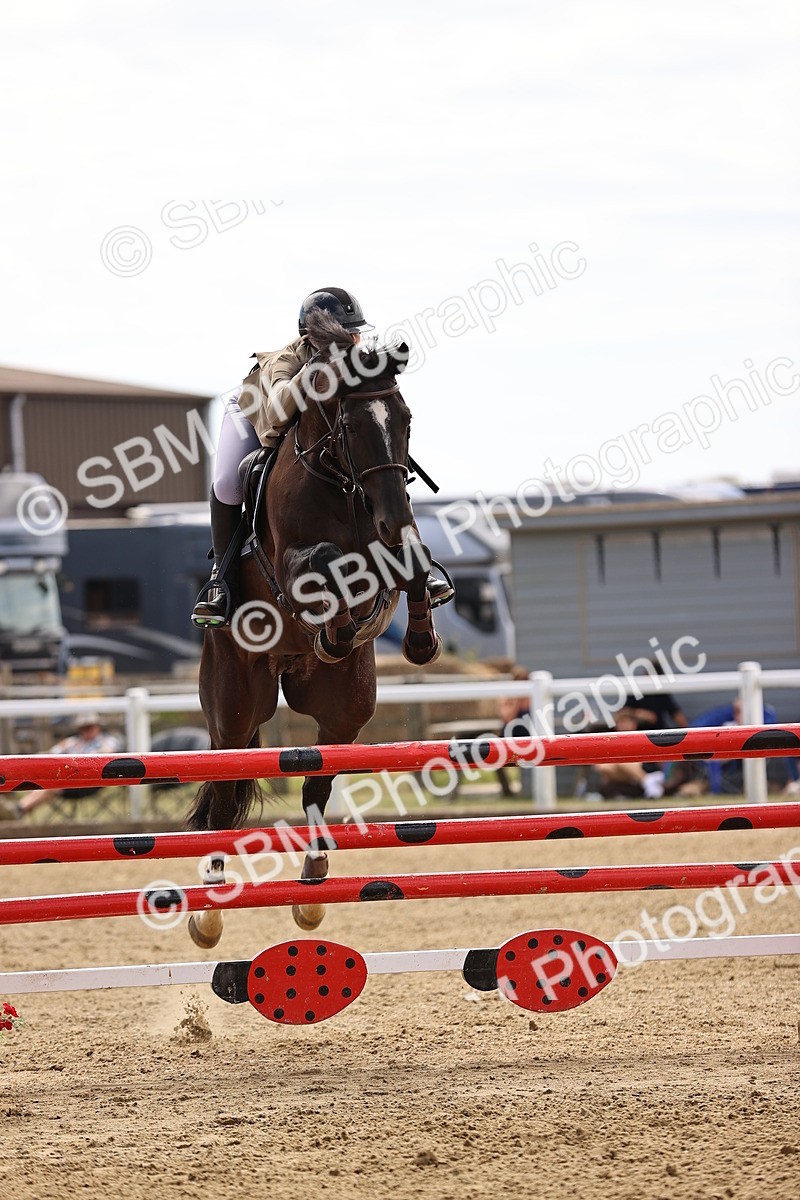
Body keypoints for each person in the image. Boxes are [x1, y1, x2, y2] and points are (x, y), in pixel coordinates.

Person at [191, 287, 454, 628]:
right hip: (256, 409)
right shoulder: (283, 361)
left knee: (382, 466)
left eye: (356, 333)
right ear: (311, 340)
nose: (352, 342)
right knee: (228, 483)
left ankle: (417, 562)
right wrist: (311, 372)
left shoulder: (355, 358)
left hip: (307, 423)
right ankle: (221, 582)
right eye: (347, 335)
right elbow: (274, 422)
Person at [0, 714, 122, 821]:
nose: (86, 731)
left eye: (89, 727)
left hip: (91, 782)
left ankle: (18, 810)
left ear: (97, 726)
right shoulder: (73, 742)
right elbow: (51, 753)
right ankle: (10, 795)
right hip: (65, 778)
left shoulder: (107, 741)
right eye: (83, 728)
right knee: (42, 774)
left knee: (50, 785)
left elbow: (103, 757)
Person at [623, 660, 688, 731]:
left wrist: (686, 730)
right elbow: (622, 713)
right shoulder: (636, 691)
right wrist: (639, 713)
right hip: (639, 733)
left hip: (659, 732)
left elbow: (675, 713)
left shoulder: (661, 693)